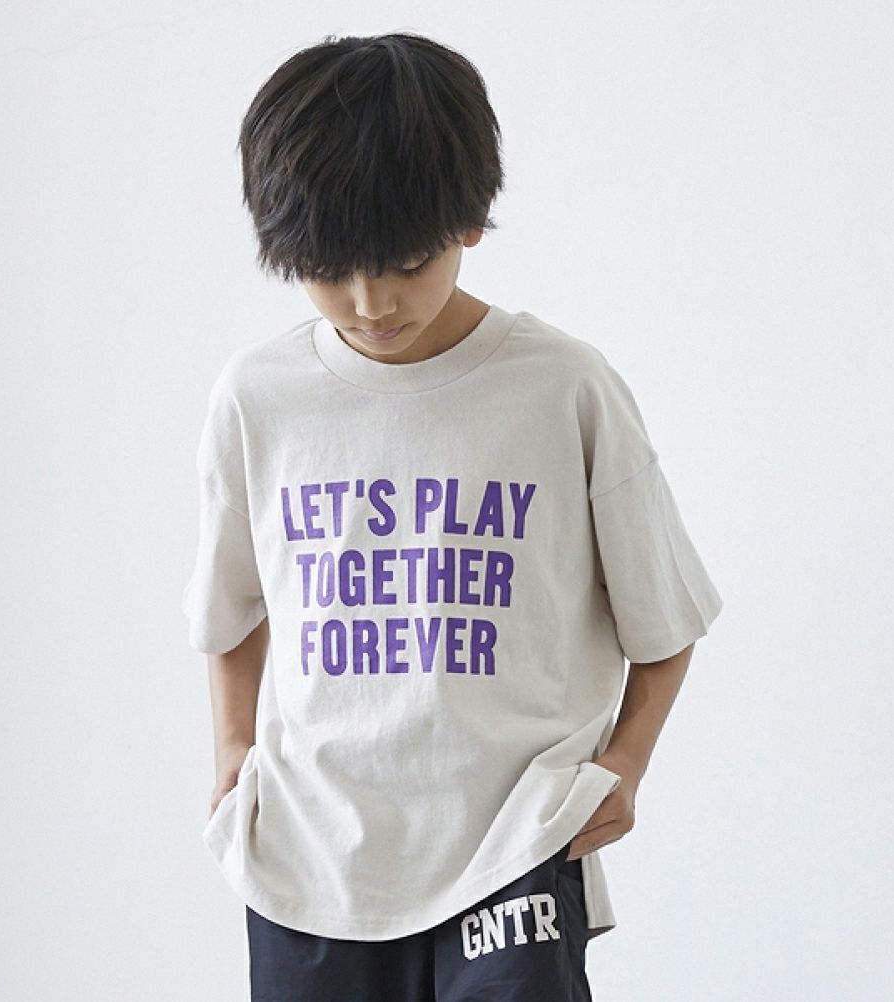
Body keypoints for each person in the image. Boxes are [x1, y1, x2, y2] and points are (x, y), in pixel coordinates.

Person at [181, 31, 723, 1002]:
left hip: (513, 843)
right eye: (329, 269)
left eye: (404, 261)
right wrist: (231, 752)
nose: (369, 301)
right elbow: (229, 610)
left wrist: (625, 765)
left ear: (470, 220)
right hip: (310, 856)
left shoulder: (563, 389)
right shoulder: (258, 398)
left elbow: (666, 620)